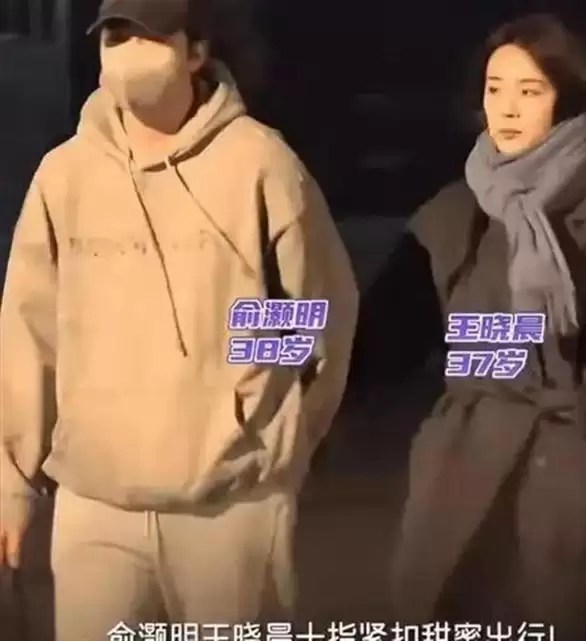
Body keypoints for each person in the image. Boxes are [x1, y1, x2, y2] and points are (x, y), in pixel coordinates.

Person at [0, 0, 358, 637]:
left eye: (148, 37)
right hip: (96, 507)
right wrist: (14, 483)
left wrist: (264, 424)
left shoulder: (260, 163)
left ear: (196, 52)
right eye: (115, 38)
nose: (128, 54)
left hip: (231, 507)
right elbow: (29, 336)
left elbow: (315, 314)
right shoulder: (65, 175)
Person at [352, 13, 586, 640]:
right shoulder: (454, 213)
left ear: (566, 99)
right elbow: (377, 342)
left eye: (530, 90)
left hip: (570, 478)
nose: (508, 107)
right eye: (495, 89)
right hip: (460, 477)